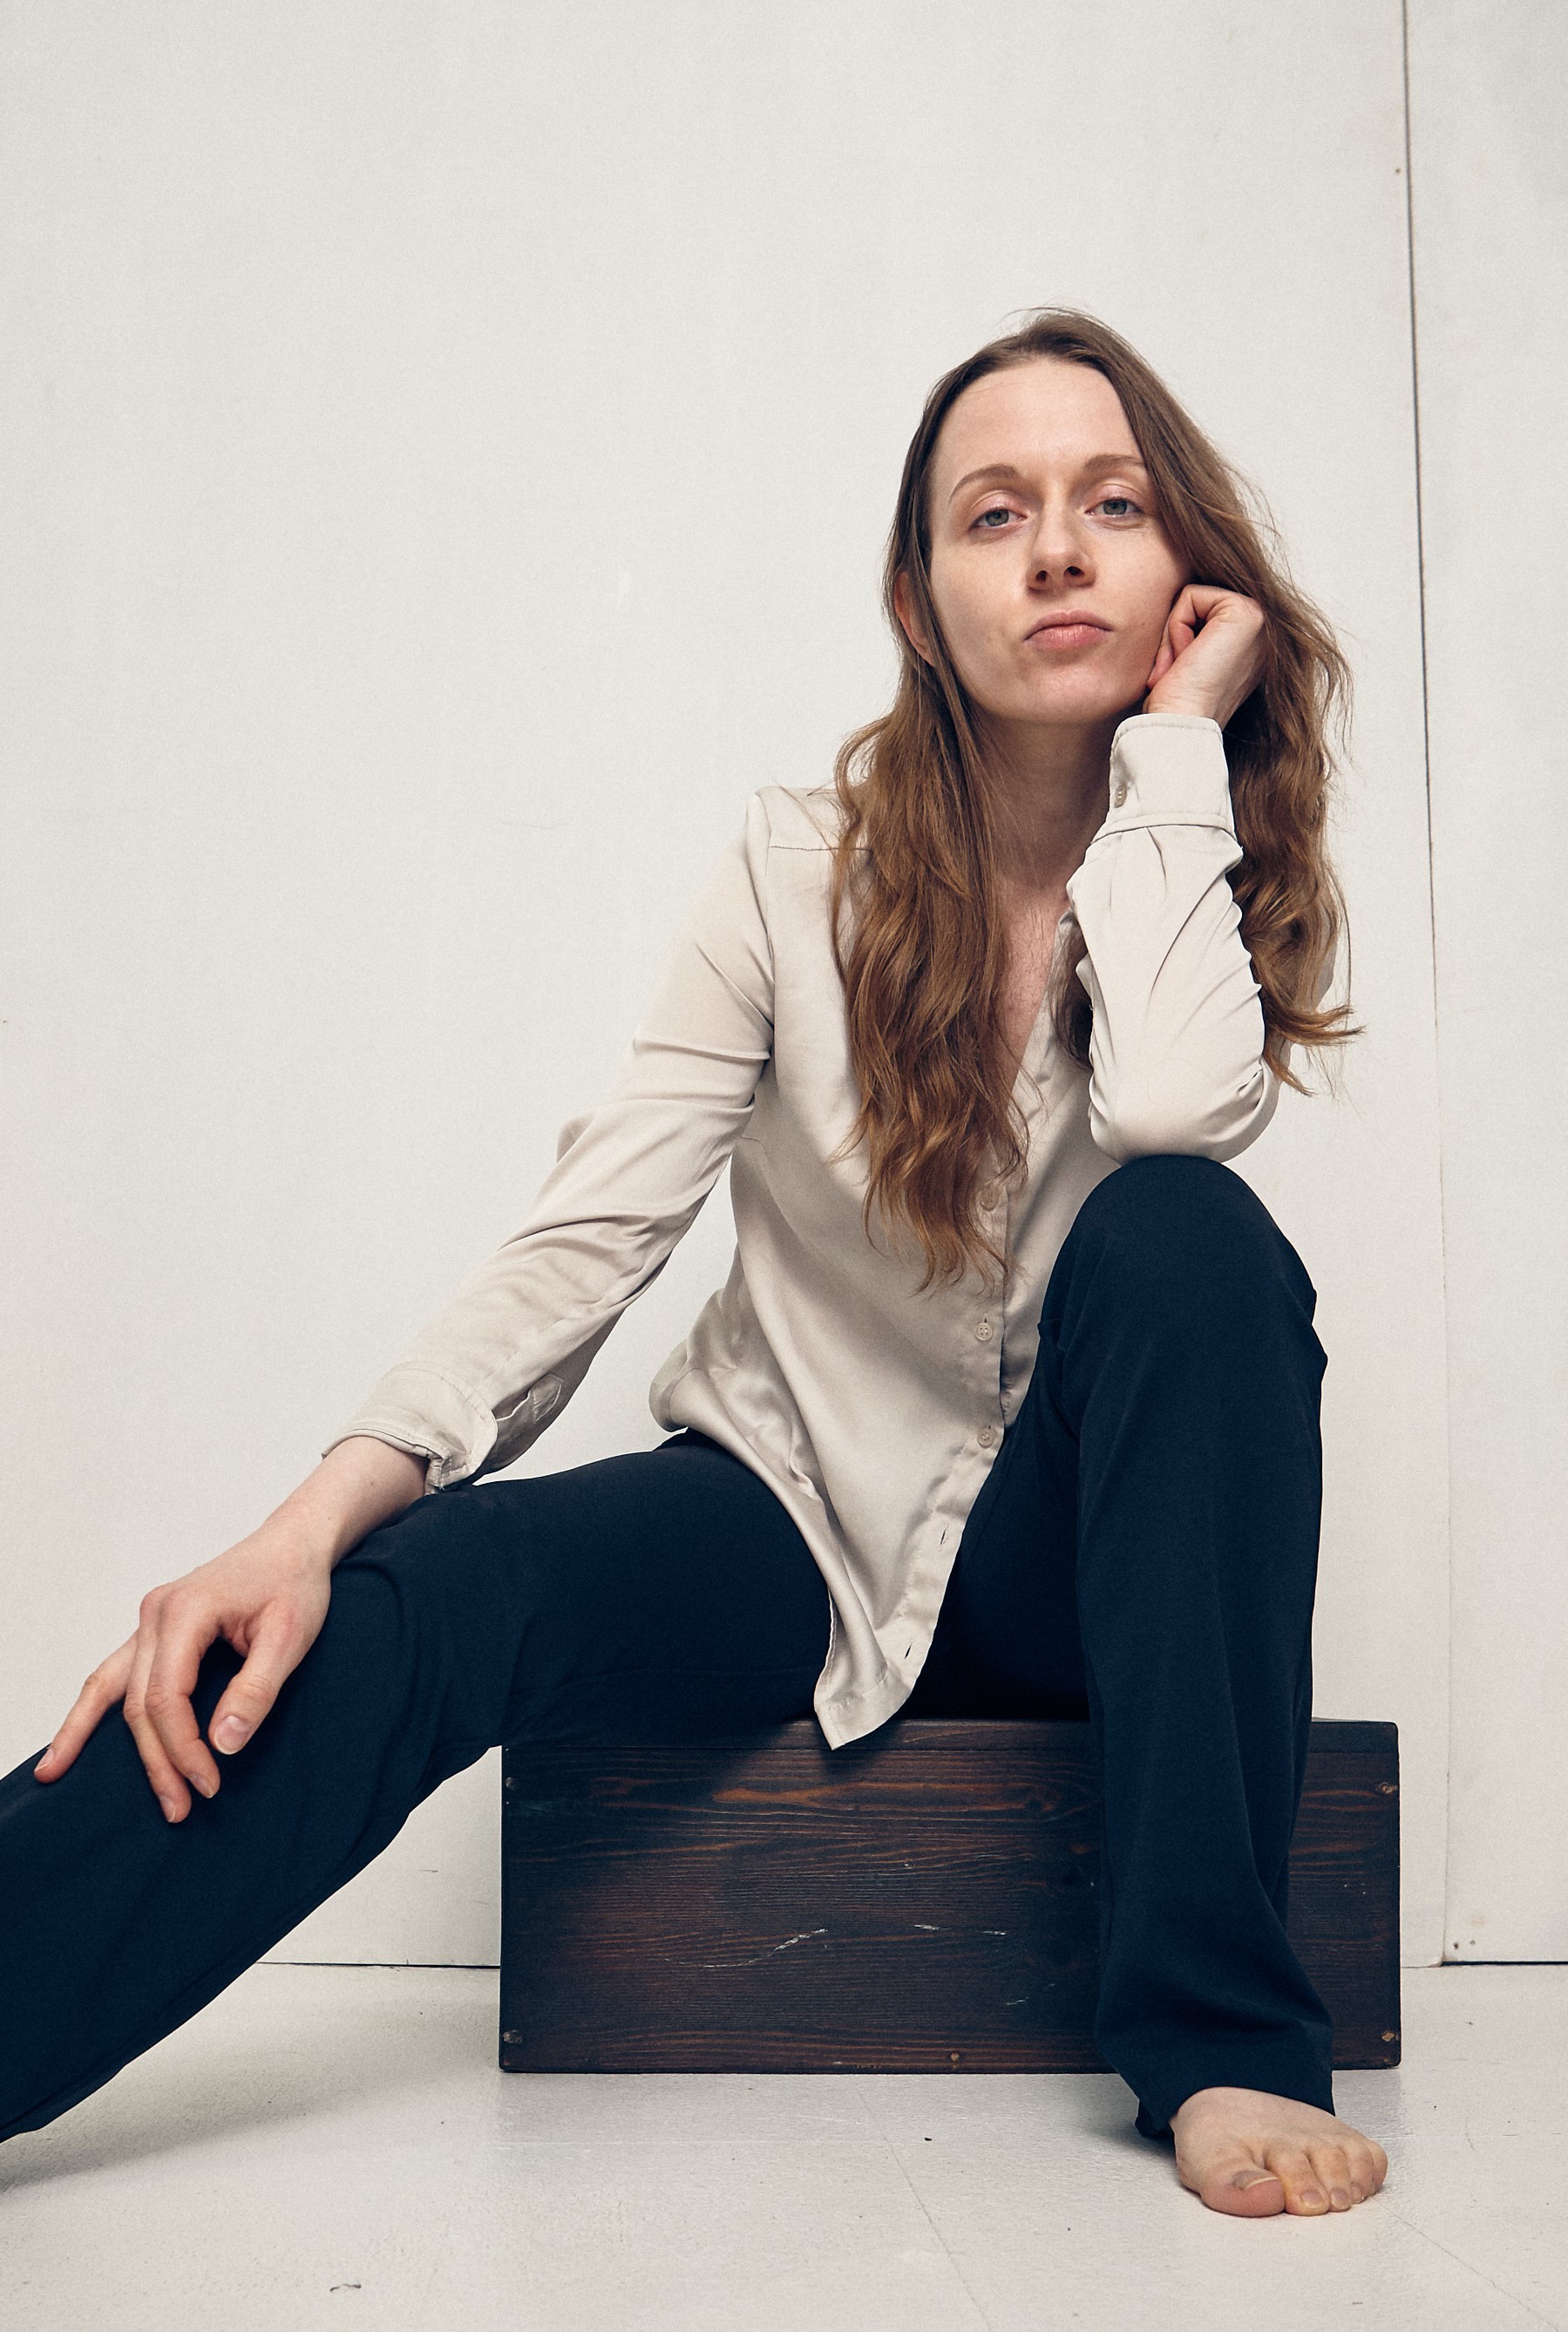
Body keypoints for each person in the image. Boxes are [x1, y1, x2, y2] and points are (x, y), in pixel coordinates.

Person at [2, 308, 1388, 2220]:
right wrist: (307, 1520)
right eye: (995, 514)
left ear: (1185, 579)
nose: (1059, 551)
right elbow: (598, 1228)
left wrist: (1170, 755)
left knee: (1190, 1243)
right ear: (919, 603)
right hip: (789, 1504)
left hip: (1063, 1562)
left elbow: (1163, 1109)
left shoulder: (1189, 858)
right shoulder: (793, 869)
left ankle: (1224, 2042)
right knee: (432, 1584)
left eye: (1116, 506)